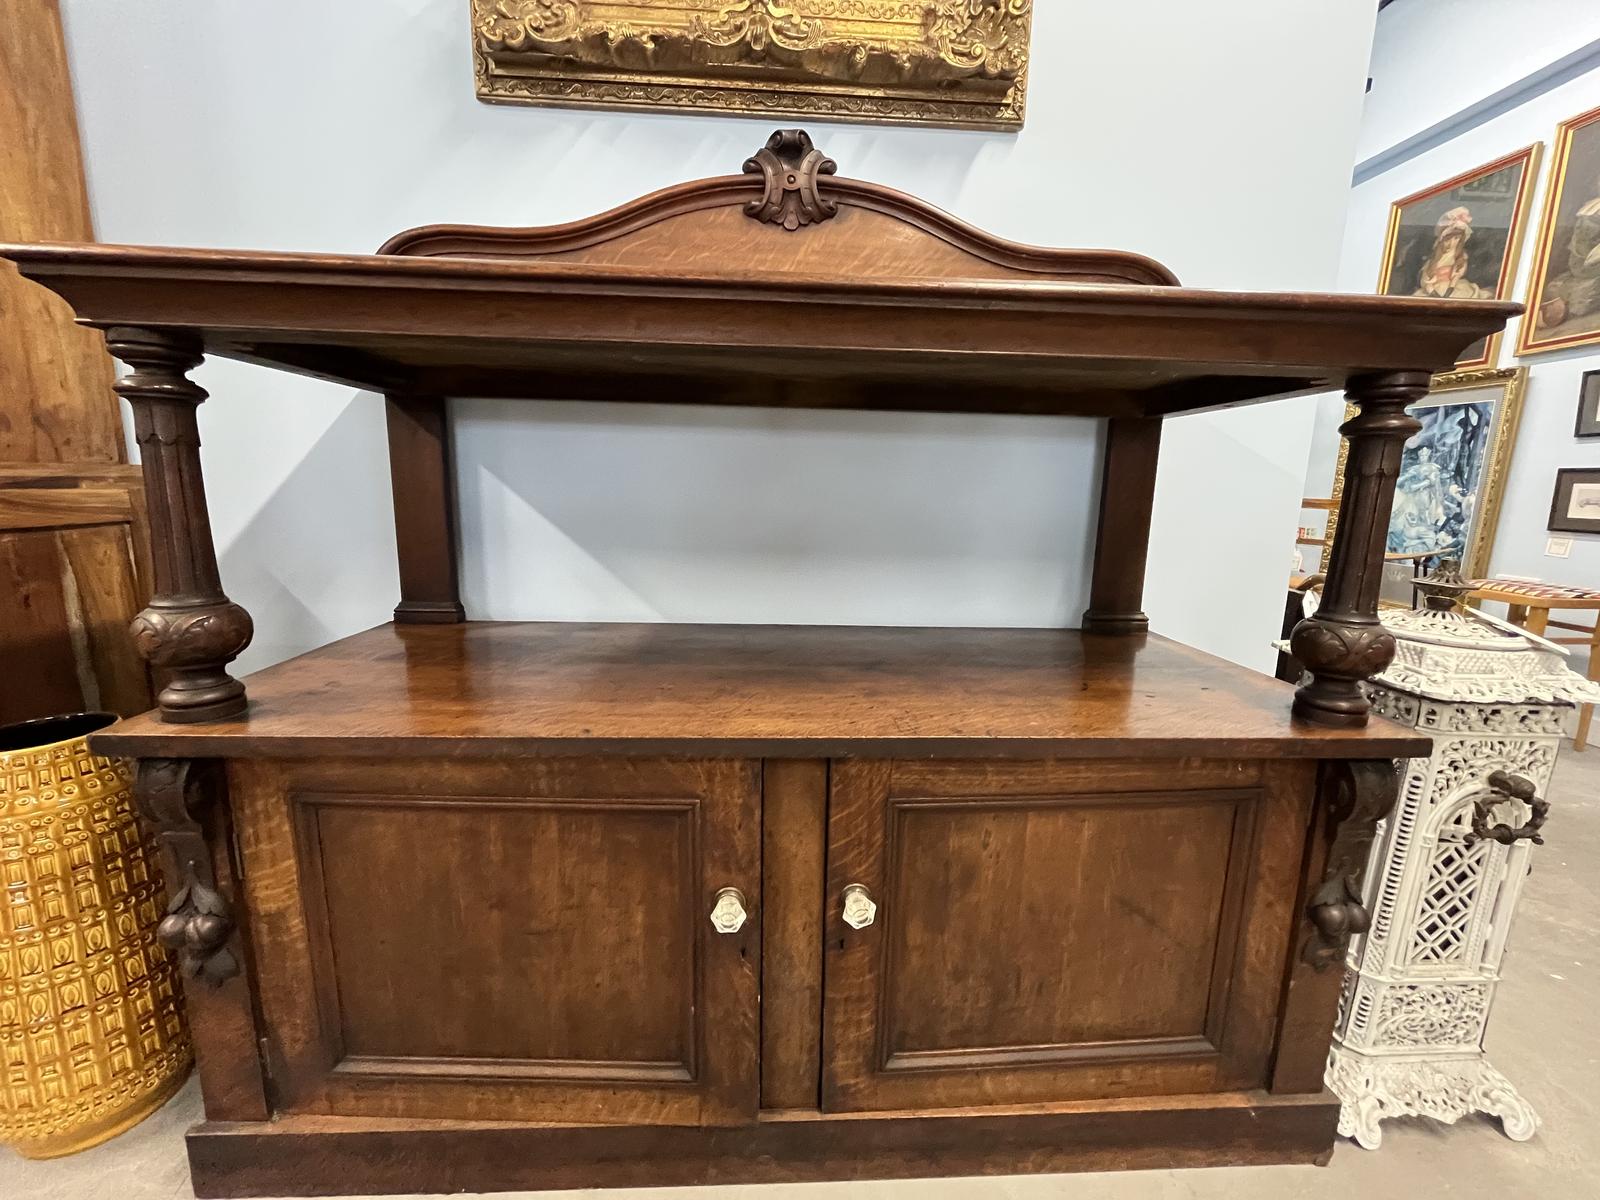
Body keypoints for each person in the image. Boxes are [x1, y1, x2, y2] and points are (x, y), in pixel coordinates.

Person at [1537, 168, 1600, 331]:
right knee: (1556, 287)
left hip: (1591, 269)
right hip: (1584, 265)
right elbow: (1580, 251)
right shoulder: (1591, 210)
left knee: (1586, 293)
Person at [1412, 206, 1491, 299]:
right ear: (1442, 240)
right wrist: (1434, 293)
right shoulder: (1434, 259)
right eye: (1448, 239)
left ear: (1460, 240)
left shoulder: (1460, 257)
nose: (1451, 243)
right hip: (1435, 290)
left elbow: (1455, 278)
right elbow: (1426, 281)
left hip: (1453, 288)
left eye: (1456, 238)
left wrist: (1448, 293)